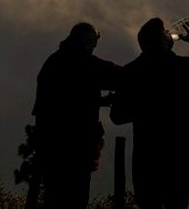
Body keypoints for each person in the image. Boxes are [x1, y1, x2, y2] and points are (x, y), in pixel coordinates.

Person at [111, 18, 189, 209]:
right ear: (161, 40)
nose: (169, 34)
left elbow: (117, 116)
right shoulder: (178, 66)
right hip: (179, 157)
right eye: (164, 32)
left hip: (148, 159)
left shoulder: (131, 72)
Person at [33, 22, 122, 209]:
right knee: (76, 200)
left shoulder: (53, 62)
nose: (94, 48)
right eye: (93, 43)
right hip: (77, 150)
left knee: (53, 199)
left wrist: (99, 102)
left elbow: (66, 102)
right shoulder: (85, 63)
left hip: (50, 148)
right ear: (86, 42)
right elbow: (119, 76)